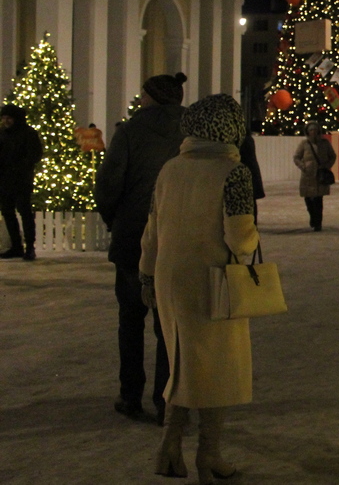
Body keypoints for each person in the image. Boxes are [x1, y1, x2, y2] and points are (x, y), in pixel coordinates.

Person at [139, 93, 258, 483]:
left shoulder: (170, 169)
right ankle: (208, 454)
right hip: (213, 280)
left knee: (182, 364)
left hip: (168, 277)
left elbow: (152, 230)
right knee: (216, 370)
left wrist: (145, 274)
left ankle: (170, 449)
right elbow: (240, 237)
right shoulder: (232, 172)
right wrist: (248, 254)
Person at [94, 72, 186, 425]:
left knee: (131, 320)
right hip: (176, 239)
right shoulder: (192, 129)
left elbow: (108, 185)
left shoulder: (130, 131)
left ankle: (130, 395)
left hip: (134, 238)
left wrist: (113, 219)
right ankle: (168, 400)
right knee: (169, 325)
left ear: (151, 96)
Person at [0, 104, 44, 260]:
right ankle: (16, 246)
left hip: (21, 180)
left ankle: (30, 247)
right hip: (5, 180)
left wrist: (20, 166)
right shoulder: (2, 134)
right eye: (4, 118)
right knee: (7, 212)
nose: (6, 121)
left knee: (24, 212)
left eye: (9, 118)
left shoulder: (28, 133)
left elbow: (35, 154)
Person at [293, 121, 336, 231]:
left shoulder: (325, 143)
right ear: (308, 131)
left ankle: (317, 223)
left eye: (315, 130)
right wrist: (303, 166)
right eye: (311, 130)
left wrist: (326, 166)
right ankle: (313, 218)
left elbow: (332, 156)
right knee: (308, 200)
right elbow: (296, 157)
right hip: (307, 176)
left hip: (320, 175)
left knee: (318, 200)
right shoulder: (304, 144)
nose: (313, 132)